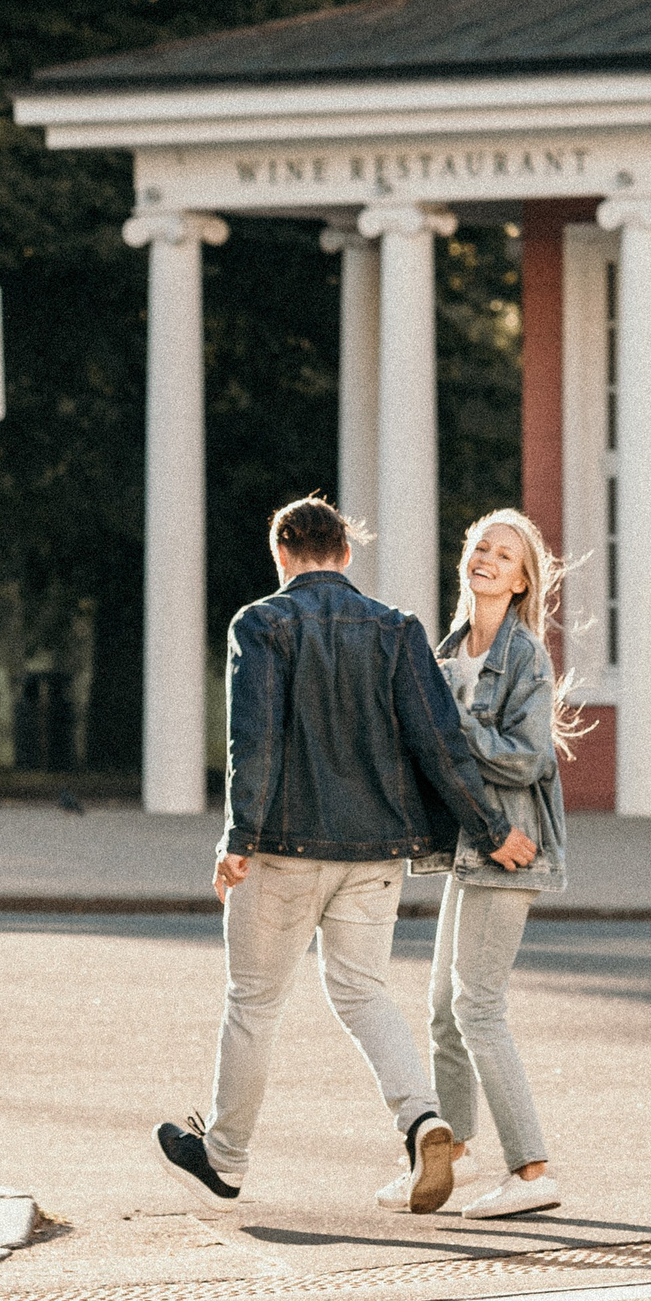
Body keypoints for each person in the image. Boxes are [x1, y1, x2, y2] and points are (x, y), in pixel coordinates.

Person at [154, 495, 534, 1217]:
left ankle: (225, 1158)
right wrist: (490, 829)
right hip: (374, 853)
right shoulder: (397, 630)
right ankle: (425, 1121)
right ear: (347, 553)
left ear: (281, 554)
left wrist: (238, 839)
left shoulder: (260, 622)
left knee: (254, 1001)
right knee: (364, 992)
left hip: (285, 849)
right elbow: (438, 741)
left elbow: (254, 741)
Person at [385, 508, 578, 1221]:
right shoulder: (450, 648)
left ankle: (531, 1168)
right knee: (442, 1007)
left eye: (503, 553)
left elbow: (529, 755)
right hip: (470, 844)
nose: (486, 559)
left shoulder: (525, 654)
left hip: (512, 840)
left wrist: (452, 726)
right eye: (479, 548)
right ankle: (456, 1155)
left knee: (477, 1006)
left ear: (523, 577)